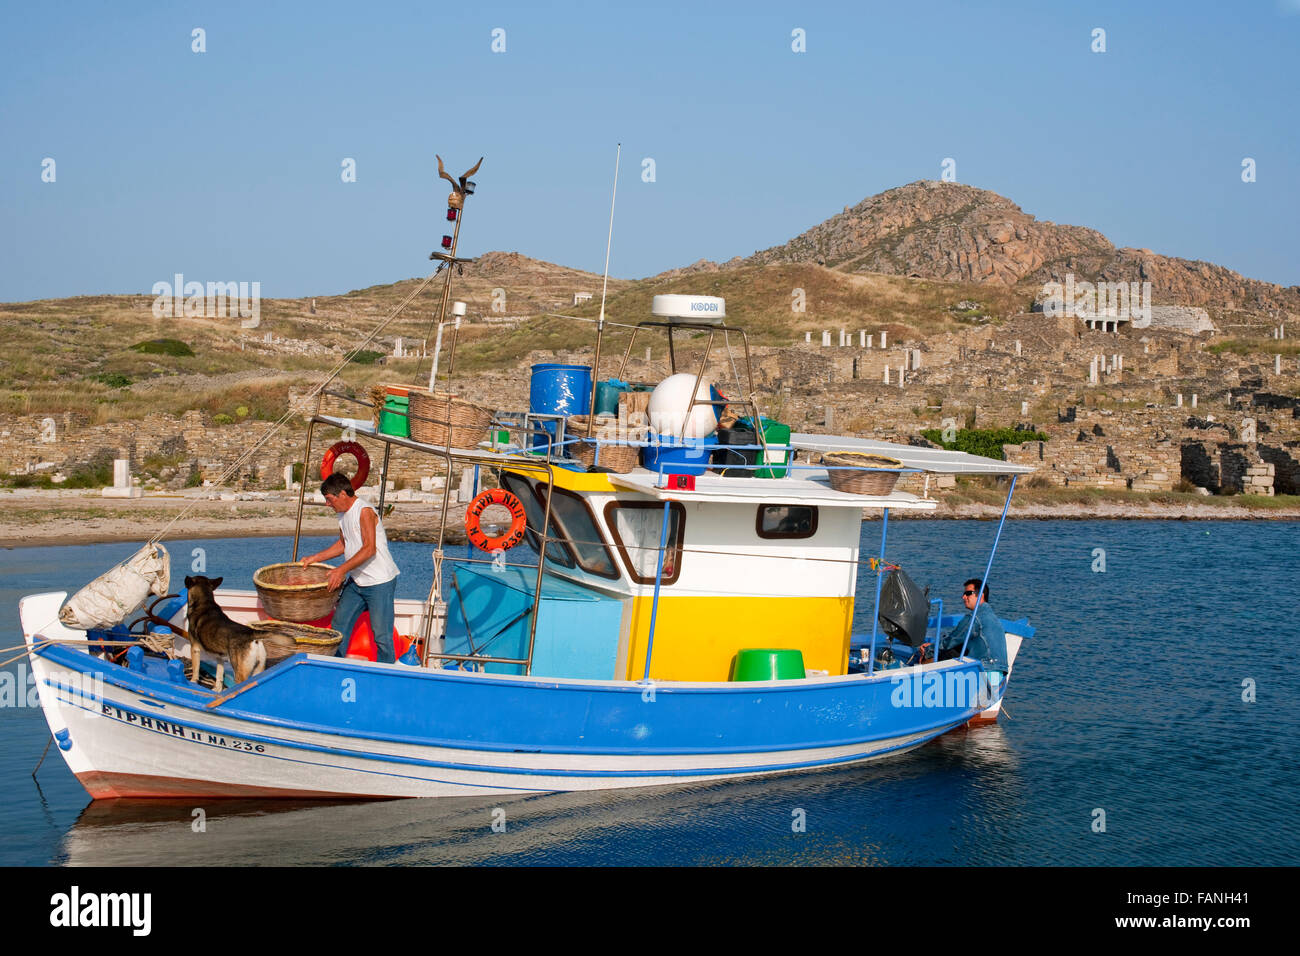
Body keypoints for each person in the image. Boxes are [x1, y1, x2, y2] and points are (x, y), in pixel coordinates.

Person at [299, 472, 400, 663]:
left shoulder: (365, 512)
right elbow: (343, 544)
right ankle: (336, 665)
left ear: (343, 495)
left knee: (382, 636)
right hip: (357, 581)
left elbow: (369, 549)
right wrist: (315, 558)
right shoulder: (342, 514)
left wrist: (341, 570)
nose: (327, 504)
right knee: (339, 625)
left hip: (380, 582)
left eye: (329, 499)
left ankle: (386, 674)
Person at [935, 578, 1008, 673]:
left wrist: (929, 649)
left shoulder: (975, 618)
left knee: (942, 652)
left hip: (984, 670)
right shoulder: (993, 618)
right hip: (999, 673)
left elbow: (951, 641)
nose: (963, 597)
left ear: (981, 595)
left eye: (968, 593)